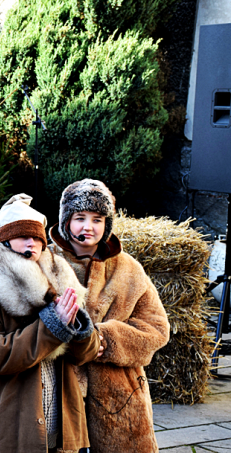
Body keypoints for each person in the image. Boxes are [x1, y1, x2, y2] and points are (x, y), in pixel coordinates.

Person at [0, 194, 99, 453]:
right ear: (4, 237)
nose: (31, 243)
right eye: (23, 236)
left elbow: (85, 355)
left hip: (62, 427)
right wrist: (53, 327)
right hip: (6, 426)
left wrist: (79, 328)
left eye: (36, 237)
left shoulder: (58, 277)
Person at [49, 179, 170, 452]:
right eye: (79, 218)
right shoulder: (46, 262)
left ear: (107, 225)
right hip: (59, 387)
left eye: (98, 219)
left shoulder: (128, 269)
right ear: (66, 221)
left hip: (120, 395)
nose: (88, 227)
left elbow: (157, 328)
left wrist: (108, 339)